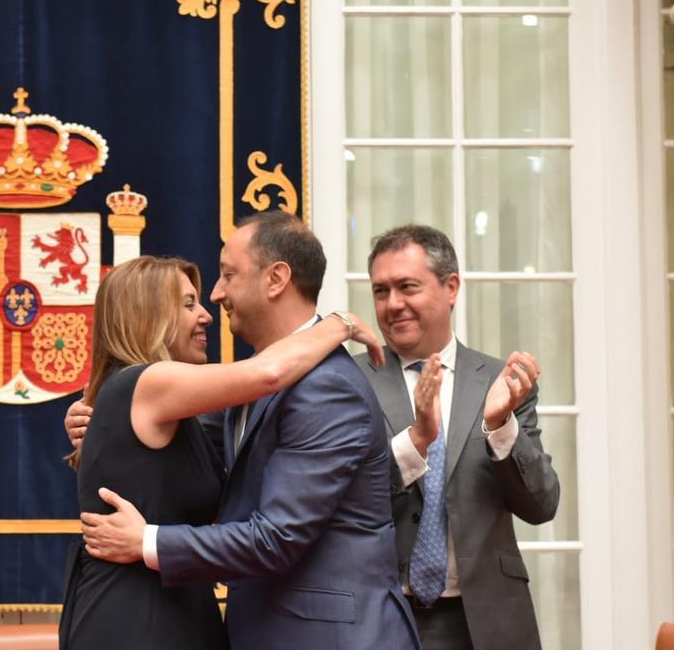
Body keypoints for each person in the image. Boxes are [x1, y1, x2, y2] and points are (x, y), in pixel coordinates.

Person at [79, 213, 420, 650]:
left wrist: (147, 540)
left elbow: (277, 536)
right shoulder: (245, 385)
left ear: (277, 279)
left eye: (227, 276)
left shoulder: (324, 386)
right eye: (190, 302)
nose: (215, 298)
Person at [363, 224, 559, 650]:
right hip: (382, 619)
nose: (393, 304)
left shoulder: (498, 382)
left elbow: (542, 504)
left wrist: (500, 426)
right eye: (381, 291)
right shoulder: (349, 383)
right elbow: (344, 496)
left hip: (487, 622)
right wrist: (416, 440)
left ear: (450, 287)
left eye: (407, 287)